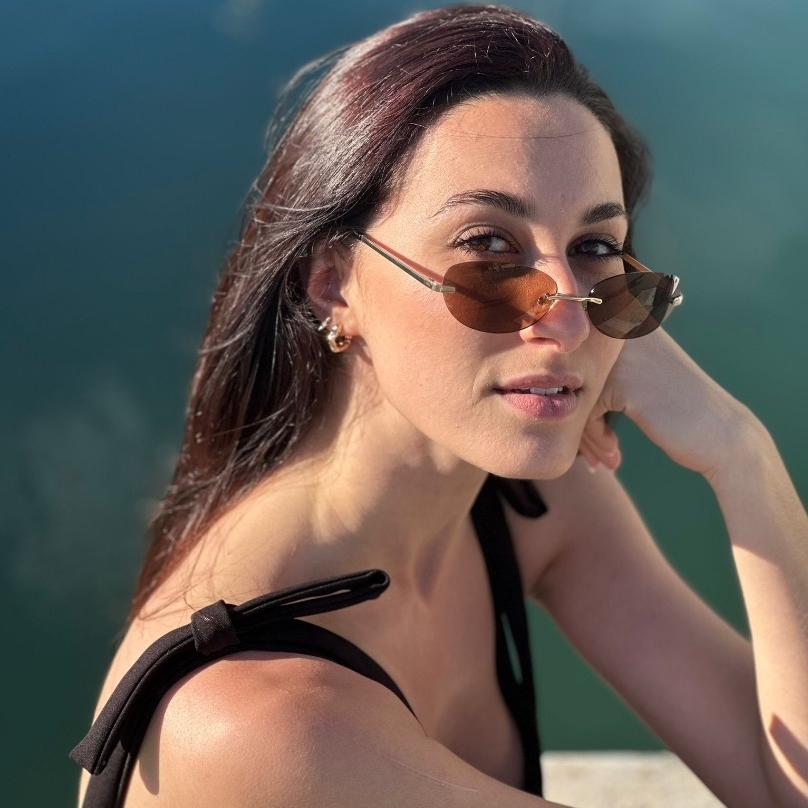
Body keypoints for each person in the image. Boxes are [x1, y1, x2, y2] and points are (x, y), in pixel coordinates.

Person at [72, 5, 808, 807]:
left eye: (595, 247)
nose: (568, 319)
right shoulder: (267, 722)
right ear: (334, 284)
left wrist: (741, 453)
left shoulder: (525, 502)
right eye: (487, 246)